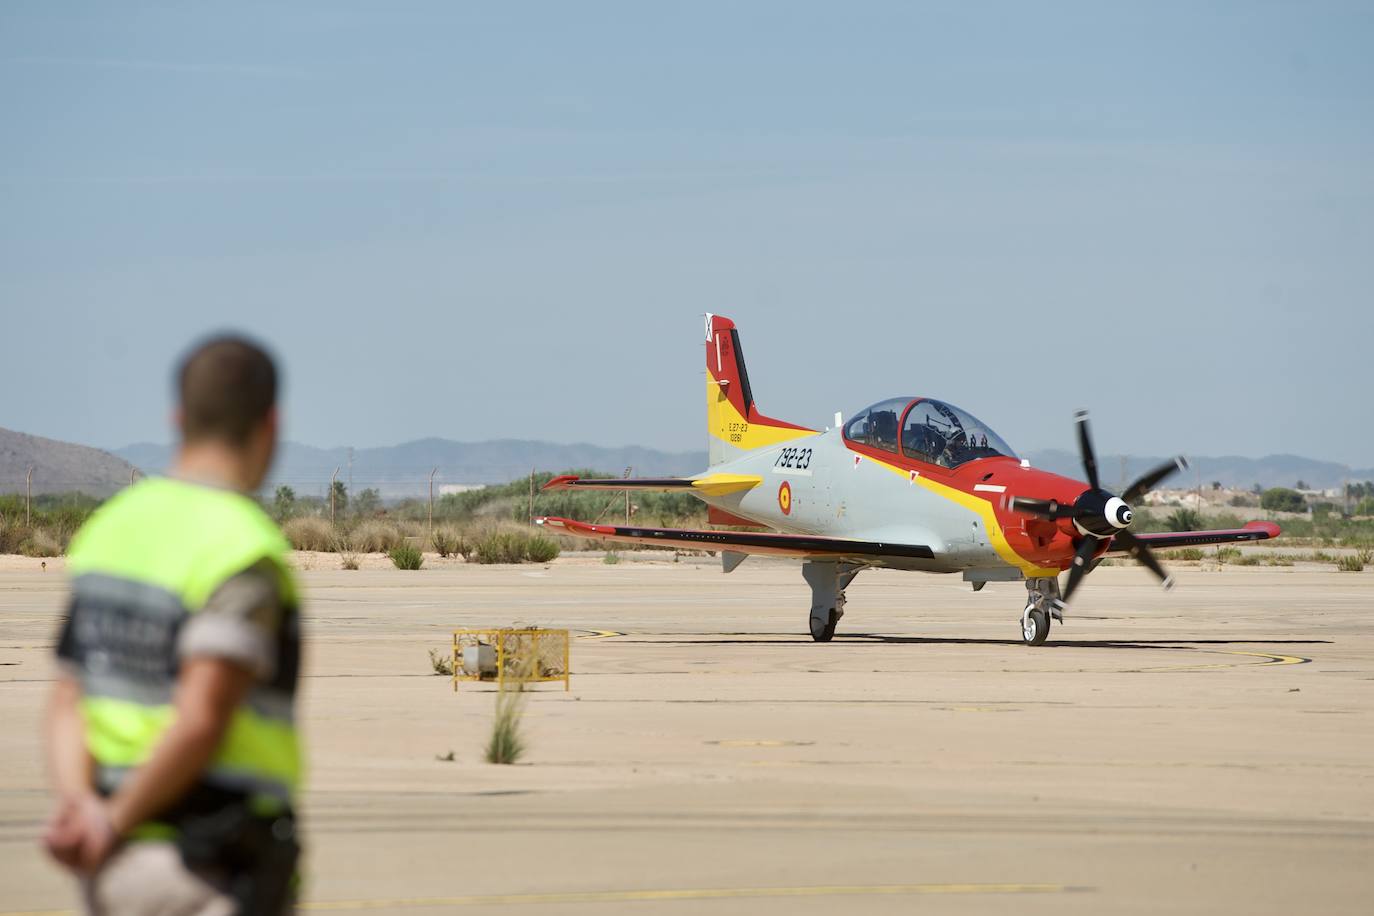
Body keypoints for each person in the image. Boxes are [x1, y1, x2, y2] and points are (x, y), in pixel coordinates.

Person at [43, 336, 302, 914]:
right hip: (205, 867)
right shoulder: (241, 546)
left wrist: (82, 808)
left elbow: (68, 698)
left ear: (179, 418)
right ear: (271, 424)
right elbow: (201, 719)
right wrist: (112, 821)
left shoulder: (109, 531)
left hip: (111, 870)